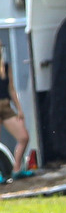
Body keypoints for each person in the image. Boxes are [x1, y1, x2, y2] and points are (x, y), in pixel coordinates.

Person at [0, 41, 31, 180]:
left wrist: (19, 109)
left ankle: (16, 169)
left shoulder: (6, 67)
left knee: (23, 137)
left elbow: (11, 89)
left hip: (6, 106)